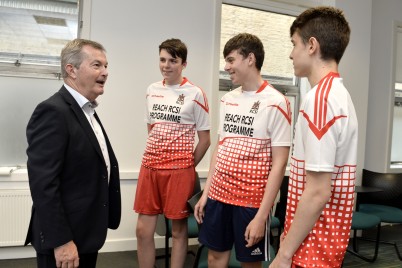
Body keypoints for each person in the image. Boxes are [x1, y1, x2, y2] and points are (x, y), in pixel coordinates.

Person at [269, 6, 358, 268]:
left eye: (294, 44)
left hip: (313, 245)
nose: (290, 53)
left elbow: (318, 191)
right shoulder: (339, 94)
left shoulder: (320, 99)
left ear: (311, 45)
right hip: (323, 242)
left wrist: (284, 253)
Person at [194, 33, 292, 268]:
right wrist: (207, 192)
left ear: (250, 58)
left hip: (251, 201)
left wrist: (262, 215)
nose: (226, 67)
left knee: (250, 264)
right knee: (214, 257)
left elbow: (279, 165)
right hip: (218, 196)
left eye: (230, 60)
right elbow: (221, 146)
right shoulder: (228, 99)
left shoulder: (277, 102)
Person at [24, 38, 121, 268]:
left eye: (106, 66)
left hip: (86, 234)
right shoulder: (53, 111)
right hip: (65, 240)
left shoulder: (86, 110)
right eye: (97, 65)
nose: (105, 72)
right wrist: (62, 241)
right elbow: (43, 184)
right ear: (72, 70)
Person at [134, 38, 211, 268]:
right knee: (142, 231)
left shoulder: (195, 93)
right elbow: (152, 130)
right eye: (162, 59)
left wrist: (185, 166)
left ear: (184, 63)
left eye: (173, 61)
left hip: (179, 172)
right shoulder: (152, 90)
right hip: (150, 168)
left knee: (178, 233)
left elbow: (205, 140)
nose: (166, 65)